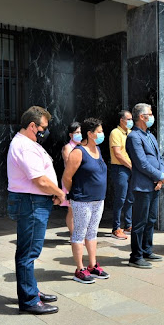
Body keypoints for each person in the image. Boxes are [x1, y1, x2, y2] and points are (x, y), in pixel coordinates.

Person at [7, 106, 64, 314]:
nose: (45, 131)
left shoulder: (29, 143)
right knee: (28, 253)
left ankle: (31, 291)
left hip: (34, 201)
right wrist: (59, 193)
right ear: (32, 126)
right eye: (43, 127)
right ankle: (29, 300)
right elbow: (39, 179)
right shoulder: (24, 146)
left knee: (29, 250)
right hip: (31, 202)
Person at [62, 118, 110, 283]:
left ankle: (92, 265)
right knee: (79, 233)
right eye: (99, 131)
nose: (102, 134)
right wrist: (74, 192)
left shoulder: (97, 149)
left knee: (92, 232)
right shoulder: (78, 152)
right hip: (82, 200)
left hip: (98, 199)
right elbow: (67, 177)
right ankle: (80, 269)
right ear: (90, 134)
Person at [125, 103, 164, 268]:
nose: (152, 116)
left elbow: (159, 158)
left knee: (151, 219)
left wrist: (160, 177)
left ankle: (146, 250)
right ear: (142, 117)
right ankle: (136, 256)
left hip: (155, 184)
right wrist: (159, 176)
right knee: (140, 222)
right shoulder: (134, 137)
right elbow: (141, 163)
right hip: (142, 186)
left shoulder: (149, 134)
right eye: (150, 114)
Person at [109, 110, 134, 240]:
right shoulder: (115, 133)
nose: (130, 121)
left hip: (131, 169)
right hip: (120, 168)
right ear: (121, 120)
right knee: (121, 198)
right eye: (128, 119)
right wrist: (130, 165)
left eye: (131, 119)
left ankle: (128, 224)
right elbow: (117, 153)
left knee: (130, 198)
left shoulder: (130, 133)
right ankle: (116, 227)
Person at [60, 122, 81, 235]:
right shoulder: (67, 148)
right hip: (71, 181)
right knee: (72, 210)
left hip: (82, 181)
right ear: (71, 135)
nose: (80, 134)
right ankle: (74, 234)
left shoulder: (83, 146)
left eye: (81, 132)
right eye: (77, 132)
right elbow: (70, 164)